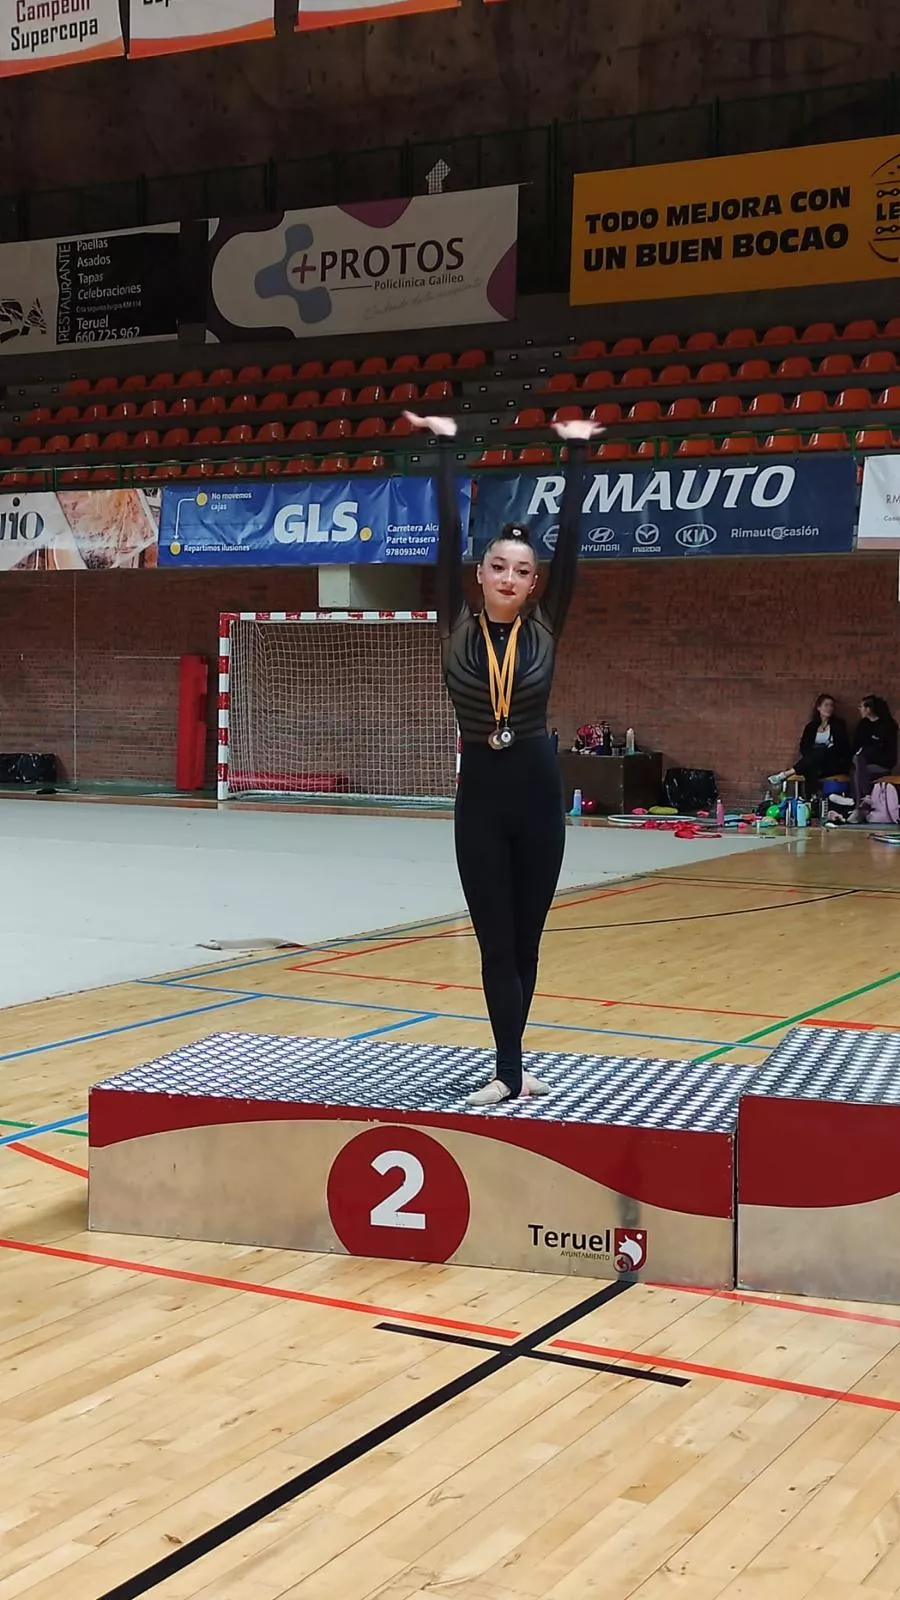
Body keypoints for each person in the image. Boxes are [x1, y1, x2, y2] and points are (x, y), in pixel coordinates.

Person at [405, 408, 602, 1106]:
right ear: (481, 574)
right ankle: (508, 1070)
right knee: (493, 941)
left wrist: (576, 457)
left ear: (534, 582)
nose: (511, 577)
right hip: (481, 794)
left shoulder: (547, 625)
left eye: (523, 569)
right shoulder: (453, 623)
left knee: (527, 941)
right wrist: (446, 448)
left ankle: (513, 1063)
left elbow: (573, 542)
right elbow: (446, 533)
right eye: (499, 566)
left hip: (538, 786)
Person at [768, 694, 850, 793]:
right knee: (811, 767)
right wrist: (815, 754)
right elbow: (804, 747)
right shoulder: (811, 726)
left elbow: (842, 746)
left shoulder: (838, 724)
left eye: (831, 705)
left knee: (820, 752)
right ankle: (811, 799)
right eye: (826, 705)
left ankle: (786, 774)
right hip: (815, 763)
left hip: (833, 762)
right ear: (819, 708)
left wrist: (824, 750)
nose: (829, 708)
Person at [851, 695, 898, 807]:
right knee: (857, 768)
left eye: (861, 707)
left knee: (857, 769)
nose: (860, 710)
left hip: (882, 764)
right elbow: (856, 745)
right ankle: (864, 800)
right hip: (863, 764)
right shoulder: (863, 725)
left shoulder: (888, 725)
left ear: (869, 709)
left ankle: (858, 805)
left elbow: (886, 751)